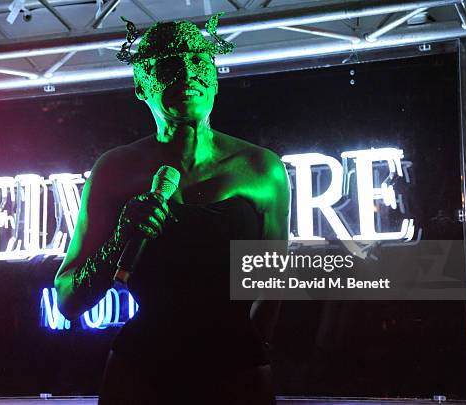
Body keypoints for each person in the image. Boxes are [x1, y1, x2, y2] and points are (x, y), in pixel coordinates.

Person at [54, 14, 290, 405]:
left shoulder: (262, 169)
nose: (187, 74)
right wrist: (120, 239)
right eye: (169, 66)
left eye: (199, 62)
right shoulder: (115, 169)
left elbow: (272, 285)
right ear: (139, 84)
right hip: (142, 372)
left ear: (215, 74)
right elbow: (68, 300)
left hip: (237, 372)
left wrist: (248, 350)